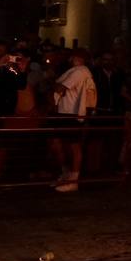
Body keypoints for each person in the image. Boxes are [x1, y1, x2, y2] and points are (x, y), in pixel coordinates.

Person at [50, 48, 95, 192]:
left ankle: (73, 179)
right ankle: (66, 174)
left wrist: (52, 81)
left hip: (72, 112)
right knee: (60, 144)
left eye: (71, 57)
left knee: (73, 146)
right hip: (65, 111)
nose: (69, 60)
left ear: (77, 58)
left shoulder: (80, 71)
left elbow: (60, 87)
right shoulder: (76, 71)